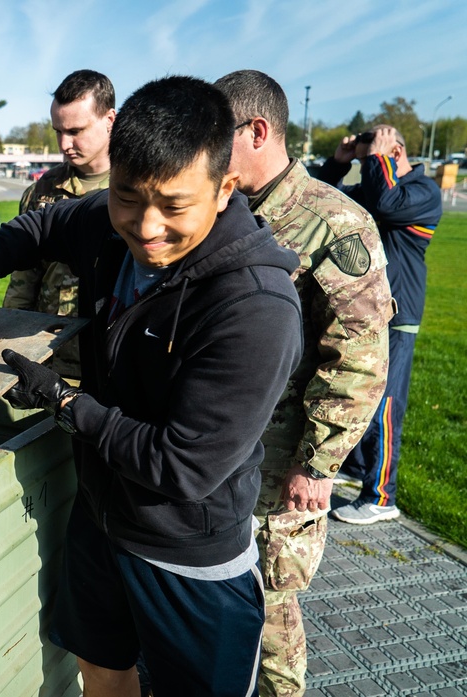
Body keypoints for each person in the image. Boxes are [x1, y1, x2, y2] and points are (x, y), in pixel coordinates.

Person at [0, 76, 304, 697]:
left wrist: (64, 402)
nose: (146, 226)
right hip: (101, 520)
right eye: (127, 197)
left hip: (186, 555)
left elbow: (180, 466)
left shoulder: (256, 306)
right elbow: (38, 229)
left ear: (224, 189)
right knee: (101, 669)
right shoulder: (111, 226)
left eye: (174, 205)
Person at [215, 70, 393, 697]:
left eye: (217, 136)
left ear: (256, 132)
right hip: (227, 451)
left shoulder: (332, 224)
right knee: (226, 599)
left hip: (283, 459)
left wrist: (318, 465)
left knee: (270, 611)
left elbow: (361, 359)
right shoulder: (232, 213)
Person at [317, 125, 443, 524]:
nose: (369, 158)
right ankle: (356, 472)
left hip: (399, 314)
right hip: (364, 310)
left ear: (396, 150)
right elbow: (326, 202)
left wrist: (375, 158)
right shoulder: (376, 186)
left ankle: (382, 498)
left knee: (385, 405)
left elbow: (388, 204)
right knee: (352, 394)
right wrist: (339, 163)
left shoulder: (423, 192)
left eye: (378, 150)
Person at [2, 69, 115, 377]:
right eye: (58, 131)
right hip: (48, 354)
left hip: (109, 359)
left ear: (109, 121)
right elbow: (23, 281)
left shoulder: (135, 189)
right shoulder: (42, 191)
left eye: (76, 131)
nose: (64, 144)